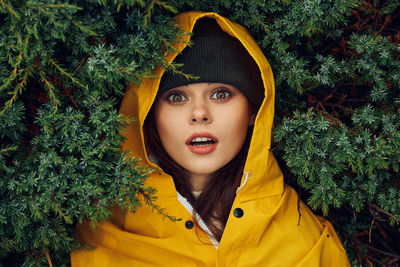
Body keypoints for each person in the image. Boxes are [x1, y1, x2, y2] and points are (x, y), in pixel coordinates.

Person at [71, 11, 350, 266]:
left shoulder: (306, 240)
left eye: (221, 94)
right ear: (149, 114)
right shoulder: (100, 237)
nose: (200, 114)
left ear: (253, 109)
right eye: (177, 97)